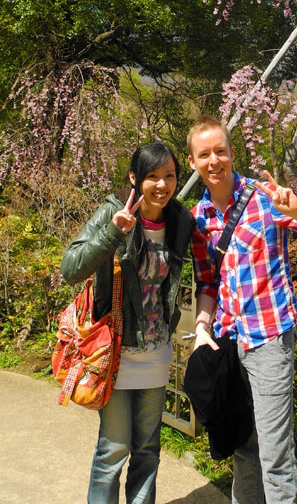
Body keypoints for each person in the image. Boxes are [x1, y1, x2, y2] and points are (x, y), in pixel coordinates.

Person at [187, 114, 297, 504]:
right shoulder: (198, 219)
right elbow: (207, 282)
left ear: (232, 153)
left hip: (269, 338)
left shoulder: (266, 197)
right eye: (205, 154)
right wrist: (202, 326)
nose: (214, 161)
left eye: (220, 151)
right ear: (193, 162)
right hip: (227, 341)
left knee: (275, 456)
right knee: (243, 449)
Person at [61, 141, 195, 504]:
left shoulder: (180, 219)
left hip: (156, 353)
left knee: (149, 450)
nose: (162, 185)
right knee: (113, 450)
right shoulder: (113, 210)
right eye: (152, 176)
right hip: (116, 352)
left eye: (170, 176)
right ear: (135, 178)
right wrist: (113, 232)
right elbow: (70, 268)